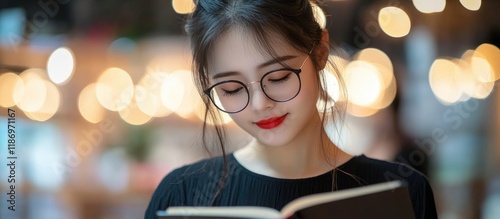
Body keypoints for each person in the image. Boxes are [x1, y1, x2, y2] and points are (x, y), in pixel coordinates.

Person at [145, 0, 438, 218]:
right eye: (232, 89)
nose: (261, 104)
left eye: (279, 77)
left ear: (320, 52)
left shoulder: (403, 192)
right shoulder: (181, 196)